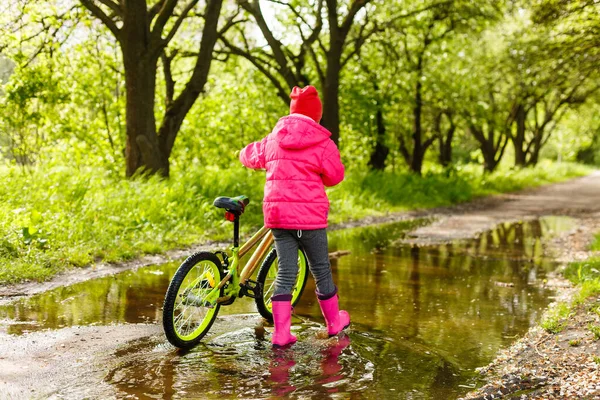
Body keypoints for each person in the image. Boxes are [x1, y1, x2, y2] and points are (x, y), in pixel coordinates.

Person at [239, 85, 350, 347]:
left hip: (278, 217)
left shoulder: (275, 137)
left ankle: (281, 334)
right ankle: (334, 323)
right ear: (316, 116)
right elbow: (335, 176)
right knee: (321, 269)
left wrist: (240, 154)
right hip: (309, 219)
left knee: (285, 273)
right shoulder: (323, 142)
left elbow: (252, 155)